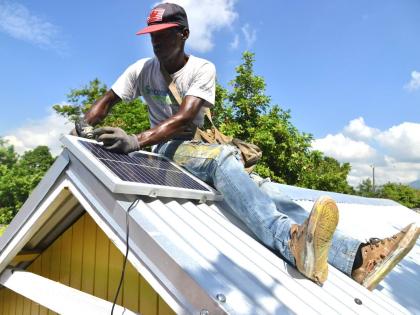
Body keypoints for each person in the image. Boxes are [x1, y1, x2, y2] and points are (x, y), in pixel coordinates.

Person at [76, 2, 420, 290]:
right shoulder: (141, 70)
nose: (156, 43)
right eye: (152, 37)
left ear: (183, 34)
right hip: (164, 148)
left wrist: (134, 139)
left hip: (189, 143)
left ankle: (359, 259)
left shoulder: (202, 69)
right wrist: (85, 123)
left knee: (272, 194)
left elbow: (185, 118)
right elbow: (106, 102)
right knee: (222, 159)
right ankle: (290, 241)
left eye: (164, 35)